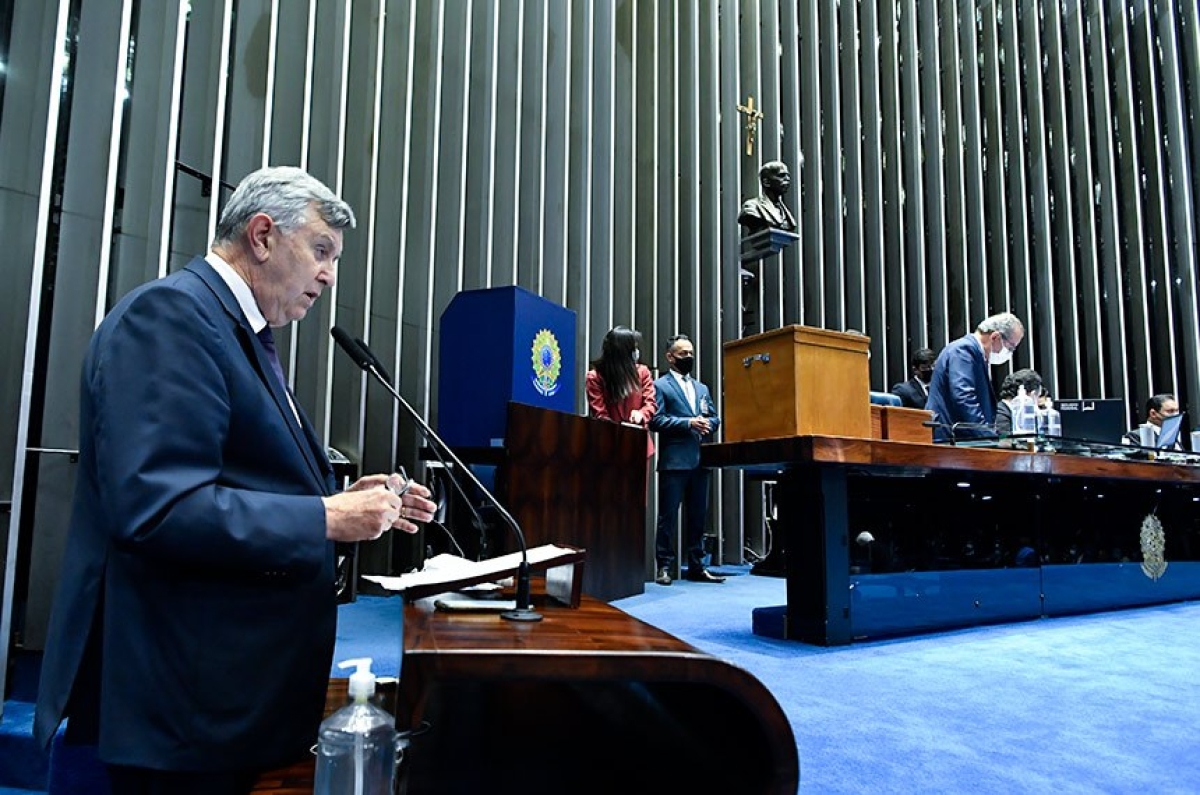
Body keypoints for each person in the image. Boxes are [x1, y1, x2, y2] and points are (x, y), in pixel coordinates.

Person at [34, 166, 438, 795]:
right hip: (187, 706)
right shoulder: (172, 317)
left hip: (232, 696)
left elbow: (237, 474)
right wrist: (325, 518)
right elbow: (160, 508)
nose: (330, 275)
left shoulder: (240, 332)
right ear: (261, 235)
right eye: (321, 251)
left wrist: (342, 498)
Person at [649, 334, 723, 585]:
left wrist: (708, 424)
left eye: (691, 353)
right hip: (674, 461)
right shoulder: (661, 386)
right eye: (683, 354)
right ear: (670, 357)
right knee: (668, 517)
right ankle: (665, 567)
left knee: (698, 516)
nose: (689, 357)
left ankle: (697, 566)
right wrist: (687, 422)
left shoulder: (702, 388)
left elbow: (714, 417)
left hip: (701, 460)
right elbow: (655, 420)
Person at [925, 311, 1025, 442]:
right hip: (949, 439)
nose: (1010, 353)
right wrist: (988, 437)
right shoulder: (963, 350)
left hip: (960, 440)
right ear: (995, 337)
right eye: (1011, 347)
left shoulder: (975, 354)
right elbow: (964, 397)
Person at [585, 325, 657, 457]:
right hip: (609, 445)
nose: (636, 351)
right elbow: (600, 413)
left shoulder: (642, 372)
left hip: (639, 443)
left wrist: (641, 414)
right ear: (623, 351)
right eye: (633, 348)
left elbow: (650, 403)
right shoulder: (595, 377)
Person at [737, 160, 798, 236]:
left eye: (788, 176)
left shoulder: (787, 215)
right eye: (781, 175)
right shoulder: (751, 206)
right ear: (766, 182)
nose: (787, 179)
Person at [992, 368, 1044, 437]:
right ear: (1032, 394)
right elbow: (1004, 441)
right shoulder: (1001, 414)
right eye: (1038, 396)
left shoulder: (1001, 410)